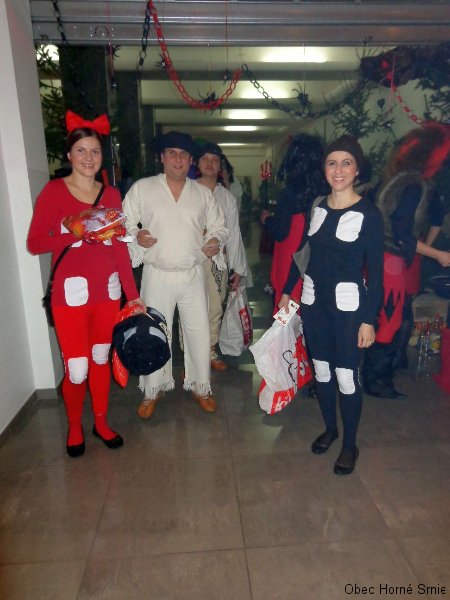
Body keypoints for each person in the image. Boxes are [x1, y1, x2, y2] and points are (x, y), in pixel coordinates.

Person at [27, 110, 146, 458]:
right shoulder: (53, 192)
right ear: (69, 154)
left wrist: (133, 295)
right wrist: (72, 231)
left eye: (94, 151)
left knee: (99, 359)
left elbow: (120, 248)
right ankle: (75, 426)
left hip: (107, 292)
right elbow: (35, 243)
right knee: (76, 368)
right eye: (81, 151)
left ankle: (101, 422)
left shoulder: (111, 194)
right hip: (70, 295)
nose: (88, 158)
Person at [279, 135, 384, 475]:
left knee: (346, 376)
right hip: (314, 305)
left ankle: (350, 444)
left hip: (349, 310)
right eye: (332, 163)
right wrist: (286, 291)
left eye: (346, 163)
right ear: (324, 168)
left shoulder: (369, 214)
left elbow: (377, 274)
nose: (338, 170)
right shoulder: (317, 206)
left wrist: (369, 320)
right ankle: (330, 429)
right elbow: (302, 253)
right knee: (322, 371)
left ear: (357, 170)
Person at [122, 131, 229, 419]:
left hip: (192, 274)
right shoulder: (143, 188)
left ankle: (200, 386)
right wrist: (137, 235)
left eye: (184, 155)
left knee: (198, 332)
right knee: (154, 333)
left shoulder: (202, 193)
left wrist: (215, 240)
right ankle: (152, 389)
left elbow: (220, 226)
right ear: (162, 157)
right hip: (157, 274)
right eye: (172, 153)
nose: (178, 160)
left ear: (191, 160)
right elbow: (124, 223)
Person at [362, 122, 450, 398]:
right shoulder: (414, 185)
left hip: (380, 257)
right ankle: (377, 383)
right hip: (391, 261)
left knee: (386, 318)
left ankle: (375, 379)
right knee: (390, 320)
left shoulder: (395, 178)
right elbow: (402, 232)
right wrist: (438, 254)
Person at [196, 142, 252, 370]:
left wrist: (237, 268)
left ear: (220, 166)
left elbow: (234, 234)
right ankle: (192, 357)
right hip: (191, 262)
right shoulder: (188, 191)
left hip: (218, 262)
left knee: (216, 308)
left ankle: (210, 351)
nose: (210, 164)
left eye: (215, 160)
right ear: (197, 163)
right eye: (205, 159)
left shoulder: (226, 197)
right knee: (191, 308)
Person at [260, 134, 327, 311]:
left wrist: (267, 219)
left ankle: (288, 330)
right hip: (316, 255)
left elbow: (280, 231)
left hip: (292, 255)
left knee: (288, 305)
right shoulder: (326, 190)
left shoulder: (289, 192)